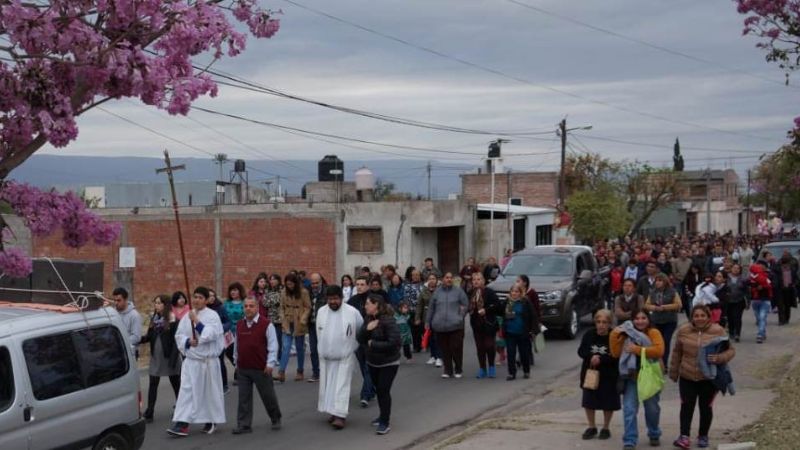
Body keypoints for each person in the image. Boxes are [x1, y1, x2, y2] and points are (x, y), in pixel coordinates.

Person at [669, 305, 736, 449]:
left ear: (708, 317)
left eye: (702, 315)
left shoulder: (718, 330)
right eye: (696, 316)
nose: (699, 318)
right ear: (692, 317)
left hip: (709, 378)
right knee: (686, 407)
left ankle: (703, 435)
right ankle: (684, 436)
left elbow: (731, 350)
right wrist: (674, 372)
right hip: (687, 376)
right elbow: (676, 353)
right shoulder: (683, 330)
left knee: (706, 408)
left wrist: (719, 358)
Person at [167, 287, 226, 437]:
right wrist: (188, 341)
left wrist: (197, 322)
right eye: (195, 297)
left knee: (208, 393)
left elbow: (210, 335)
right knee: (186, 392)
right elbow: (179, 335)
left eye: (200, 297)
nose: (197, 300)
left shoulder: (212, 316)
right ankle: (182, 424)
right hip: (192, 361)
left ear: (206, 300)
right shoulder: (188, 315)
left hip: (207, 362)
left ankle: (210, 420)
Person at [610, 311, 665, 450]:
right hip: (631, 377)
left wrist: (637, 350)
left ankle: (654, 433)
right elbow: (615, 353)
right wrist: (614, 334)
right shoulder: (626, 333)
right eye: (637, 318)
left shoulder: (653, 332)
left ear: (648, 319)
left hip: (649, 376)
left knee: (652, 409)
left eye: (643, 318)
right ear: (632, 320)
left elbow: (659, 351)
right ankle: (629, 440)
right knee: (629, 409)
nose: (640, 321)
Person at [232, 296, 282, 435]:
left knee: (268, 395)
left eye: (251, 306)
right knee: (244, 398)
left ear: (257, 308)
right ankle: (244, 425)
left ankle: (275, 418)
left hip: (261, 368)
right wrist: (236, 362)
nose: (248, 308)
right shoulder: (239, 325)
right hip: (243, 367)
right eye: (246, 306)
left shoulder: (266, 324)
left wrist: (270, 363)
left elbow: (273, 346)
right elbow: (237, 345)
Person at [316, 285, 364, 429]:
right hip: (326, 358)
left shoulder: (352, 312)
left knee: (341, 386)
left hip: (344, 357)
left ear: (341, 298)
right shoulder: (321, 312)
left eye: (336, 299)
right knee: (328, 386)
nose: (333, 302)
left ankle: (340, 416)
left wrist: (352, 346)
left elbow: (360, 328)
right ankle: (332, 410)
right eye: (330, 299)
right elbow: (319, 332)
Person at [358, 294, 402, 435]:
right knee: (379, 391)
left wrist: (373, 344)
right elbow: (360, 338)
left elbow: (395, 342)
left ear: (376, 305)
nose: (365, 306)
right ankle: (381, 416)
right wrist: (367, 329)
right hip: (373, 362)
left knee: (383, 391)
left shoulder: (388, 320)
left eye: (368, 304)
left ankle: (385, 422)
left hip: (389, 362)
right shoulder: (368, 319)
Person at [578, 309, 620, 441]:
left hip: (608, 374)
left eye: (604, 322)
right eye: (599, 322)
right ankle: (592, 426)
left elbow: (617, 355)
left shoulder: (614, 336)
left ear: (609, 323)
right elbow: (581, 351)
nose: (601, 325)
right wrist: (591, 356)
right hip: (590, 372)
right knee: (589, 401)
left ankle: (606, 428)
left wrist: (602, 359)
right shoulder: (589, 334)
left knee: (608, 402)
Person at [141, 294, 181, 423]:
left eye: (159, 303)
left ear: (166, 304)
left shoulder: (173, 319)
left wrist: (174, 359)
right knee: (153, 383)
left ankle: (181, 408)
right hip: (156, 356)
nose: (156, 305)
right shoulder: (155, 318)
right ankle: (150, 411)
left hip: (169, 356)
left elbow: (176, 341)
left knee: (176, 383)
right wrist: (139, 339)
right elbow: (149, 335)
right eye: (155, 303)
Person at [426, 272, 469, 378]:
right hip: (440, 326)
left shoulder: (459, 291)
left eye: (451, 278)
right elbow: (431, 308)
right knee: (445, 349)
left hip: (456, 326)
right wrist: (428, 321)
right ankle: (447, 370)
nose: (449, 279)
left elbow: (465, 304)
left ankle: (458, 369)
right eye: (447, 277)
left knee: (456, 348)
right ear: (443, 279)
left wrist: (460, 316)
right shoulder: (437, 292)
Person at [347, 276, 376, 407]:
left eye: (362, 284)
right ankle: (371, 389)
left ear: (368, 285)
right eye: (357, 284)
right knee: (363, 365)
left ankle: (365, 395)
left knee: (368, 366)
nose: (359, 286)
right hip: (357, 338)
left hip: (371, 338)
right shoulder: (352, 301)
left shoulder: (374, 300)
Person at [277, 273, 311, 382]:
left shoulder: (303, 292)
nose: (289, 286)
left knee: (299, 347)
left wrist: (303, 318)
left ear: (295, 283)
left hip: (298, 322)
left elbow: (308, 307)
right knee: (286, 347)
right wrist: (282, 320)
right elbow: (281, 308)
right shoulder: (283, 292)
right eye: (287, 284)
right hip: (287, 321)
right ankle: (281, 372)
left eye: (291, 284)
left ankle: (300, 371)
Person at [643, 273, 682, 366]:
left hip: (669, 321)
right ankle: (656, 361)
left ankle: (664, 364)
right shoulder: (652, 292)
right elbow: (646, 305)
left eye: (660, 281)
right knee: (656, 342)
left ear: (665, 282)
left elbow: (678, 304)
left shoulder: (672, 292)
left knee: (665, 341)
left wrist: (664, 307)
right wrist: (655, 308)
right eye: (656, 281)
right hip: (656, 320)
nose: (657, 283)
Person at [469, 272, 501, 379]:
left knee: (489, 346)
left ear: (483, 281)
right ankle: (482, 368)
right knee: (480, 347)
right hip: (476, 324)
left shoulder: (489, 292)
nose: (476, 281)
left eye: (478, 279)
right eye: (474, 280)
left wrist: (486, 310)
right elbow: (466, 305)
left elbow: (498, 305)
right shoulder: (471, 292)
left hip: (488, 323)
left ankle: (491, 366)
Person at [502, 285, 535, 380]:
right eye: (512, 291)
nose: (514, 293)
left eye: (516, 292)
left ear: (520, 293)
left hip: (522, 333)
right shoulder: (507, 302)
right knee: (511, 353)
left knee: (524, 353)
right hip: (510, 332)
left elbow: (532, 315)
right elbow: (501, 312)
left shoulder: (525, 302)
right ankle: (511, 373)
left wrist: (532, 330)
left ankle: (526, 371)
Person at [206, 289, 232, 394]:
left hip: (219, 338)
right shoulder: (202, 310)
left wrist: (221, 328)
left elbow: (228, 322)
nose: (212, 298)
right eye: (209, 296)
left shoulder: (220, 308)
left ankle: (224, 385)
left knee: (220, 361)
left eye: (213, 295)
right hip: (207, 339)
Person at [416, 273, 442, 367]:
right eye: (430, 279)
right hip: (427, 317)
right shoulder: (423, 290)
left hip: (438, 316)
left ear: (436, 280)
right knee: (429, 337)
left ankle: (439, 357)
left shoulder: (441, 289)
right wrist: (417, 318)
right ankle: (433, 356)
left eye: (433, 278)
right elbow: (419, 305)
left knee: (437, 337)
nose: (432, 280)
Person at [224, 282, 246, 385]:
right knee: (229, 352)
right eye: (231, 290)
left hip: (241, 331)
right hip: (228, 333)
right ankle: (241, 369)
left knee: (240, 353)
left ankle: (238, 374)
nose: (233, 292)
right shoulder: (226, 303)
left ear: (240, 291)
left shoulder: (245, 303)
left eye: (235, 290)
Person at [307, 273, 327, 383]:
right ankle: (316, 372)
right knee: (313, 350)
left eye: (316, 283)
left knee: (324, 349)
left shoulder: (326, 292)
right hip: (311, 325)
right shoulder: (308, 292)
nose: (314, 285)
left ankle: (325, 371)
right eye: (312, 283)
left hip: (324, 326)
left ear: (321, 282)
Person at [113, 287, 142, 358]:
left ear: (125, 300)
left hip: (129, 354)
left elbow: (136, 337)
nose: (116, 303)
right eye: (114, 300)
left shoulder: (134, 315)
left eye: (119, 300)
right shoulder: (113, 313)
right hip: (115, 352)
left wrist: (119, 342)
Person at [749, 263, 773, 343]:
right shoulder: (750, 278)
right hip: (755, 300)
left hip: (765, 300)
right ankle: (763, 332)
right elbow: (747, 286)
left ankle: (759, 335)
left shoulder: (767, 276)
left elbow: (771, 285)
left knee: (762, 317)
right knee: (759, 318)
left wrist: (763, 287)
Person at [726, 264, 748, 342]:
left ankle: (737, 334)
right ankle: (731, 332)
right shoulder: (726, 278)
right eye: (734, 268)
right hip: (728, 301)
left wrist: (748, 302)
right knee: (730, 318)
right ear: (731, 269)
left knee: (737, 317)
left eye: (738, 268)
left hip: (739, 301)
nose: (736, 269)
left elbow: (747, 291)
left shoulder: (743, 279)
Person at [404, 269, 424, 352]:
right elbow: (406, 298)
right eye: (413, 275)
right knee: (414, 329)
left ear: (420, 276)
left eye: (417, 275)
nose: (415, 276)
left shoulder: (424, 285)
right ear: (411, 276)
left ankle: (426, 343)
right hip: (412, 310)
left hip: (422, 310)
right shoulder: (407, 286)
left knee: (422, 328)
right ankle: (417, 346)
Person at [776, 253, 798, 325]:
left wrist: (793, 284)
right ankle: (781, 320)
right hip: (780, 289)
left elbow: (796, 278)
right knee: (780, 305)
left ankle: (787, 318)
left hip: (789, 289)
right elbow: (774, 277)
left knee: (787, 304)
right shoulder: (778, 268)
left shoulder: (792, 268)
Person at [264, 274, 283, 358]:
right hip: (271, 318)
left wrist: (272, 300)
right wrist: (275, 301)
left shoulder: (282, 289)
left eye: (274, 279)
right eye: (271, 279)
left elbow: (281, 301)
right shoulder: (267, 290)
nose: (272, 281)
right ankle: (272, 356)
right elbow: (265, 303)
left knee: (279, 338)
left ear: (278, 280)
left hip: (280, 318)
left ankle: (279, 356)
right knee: (271, 339)